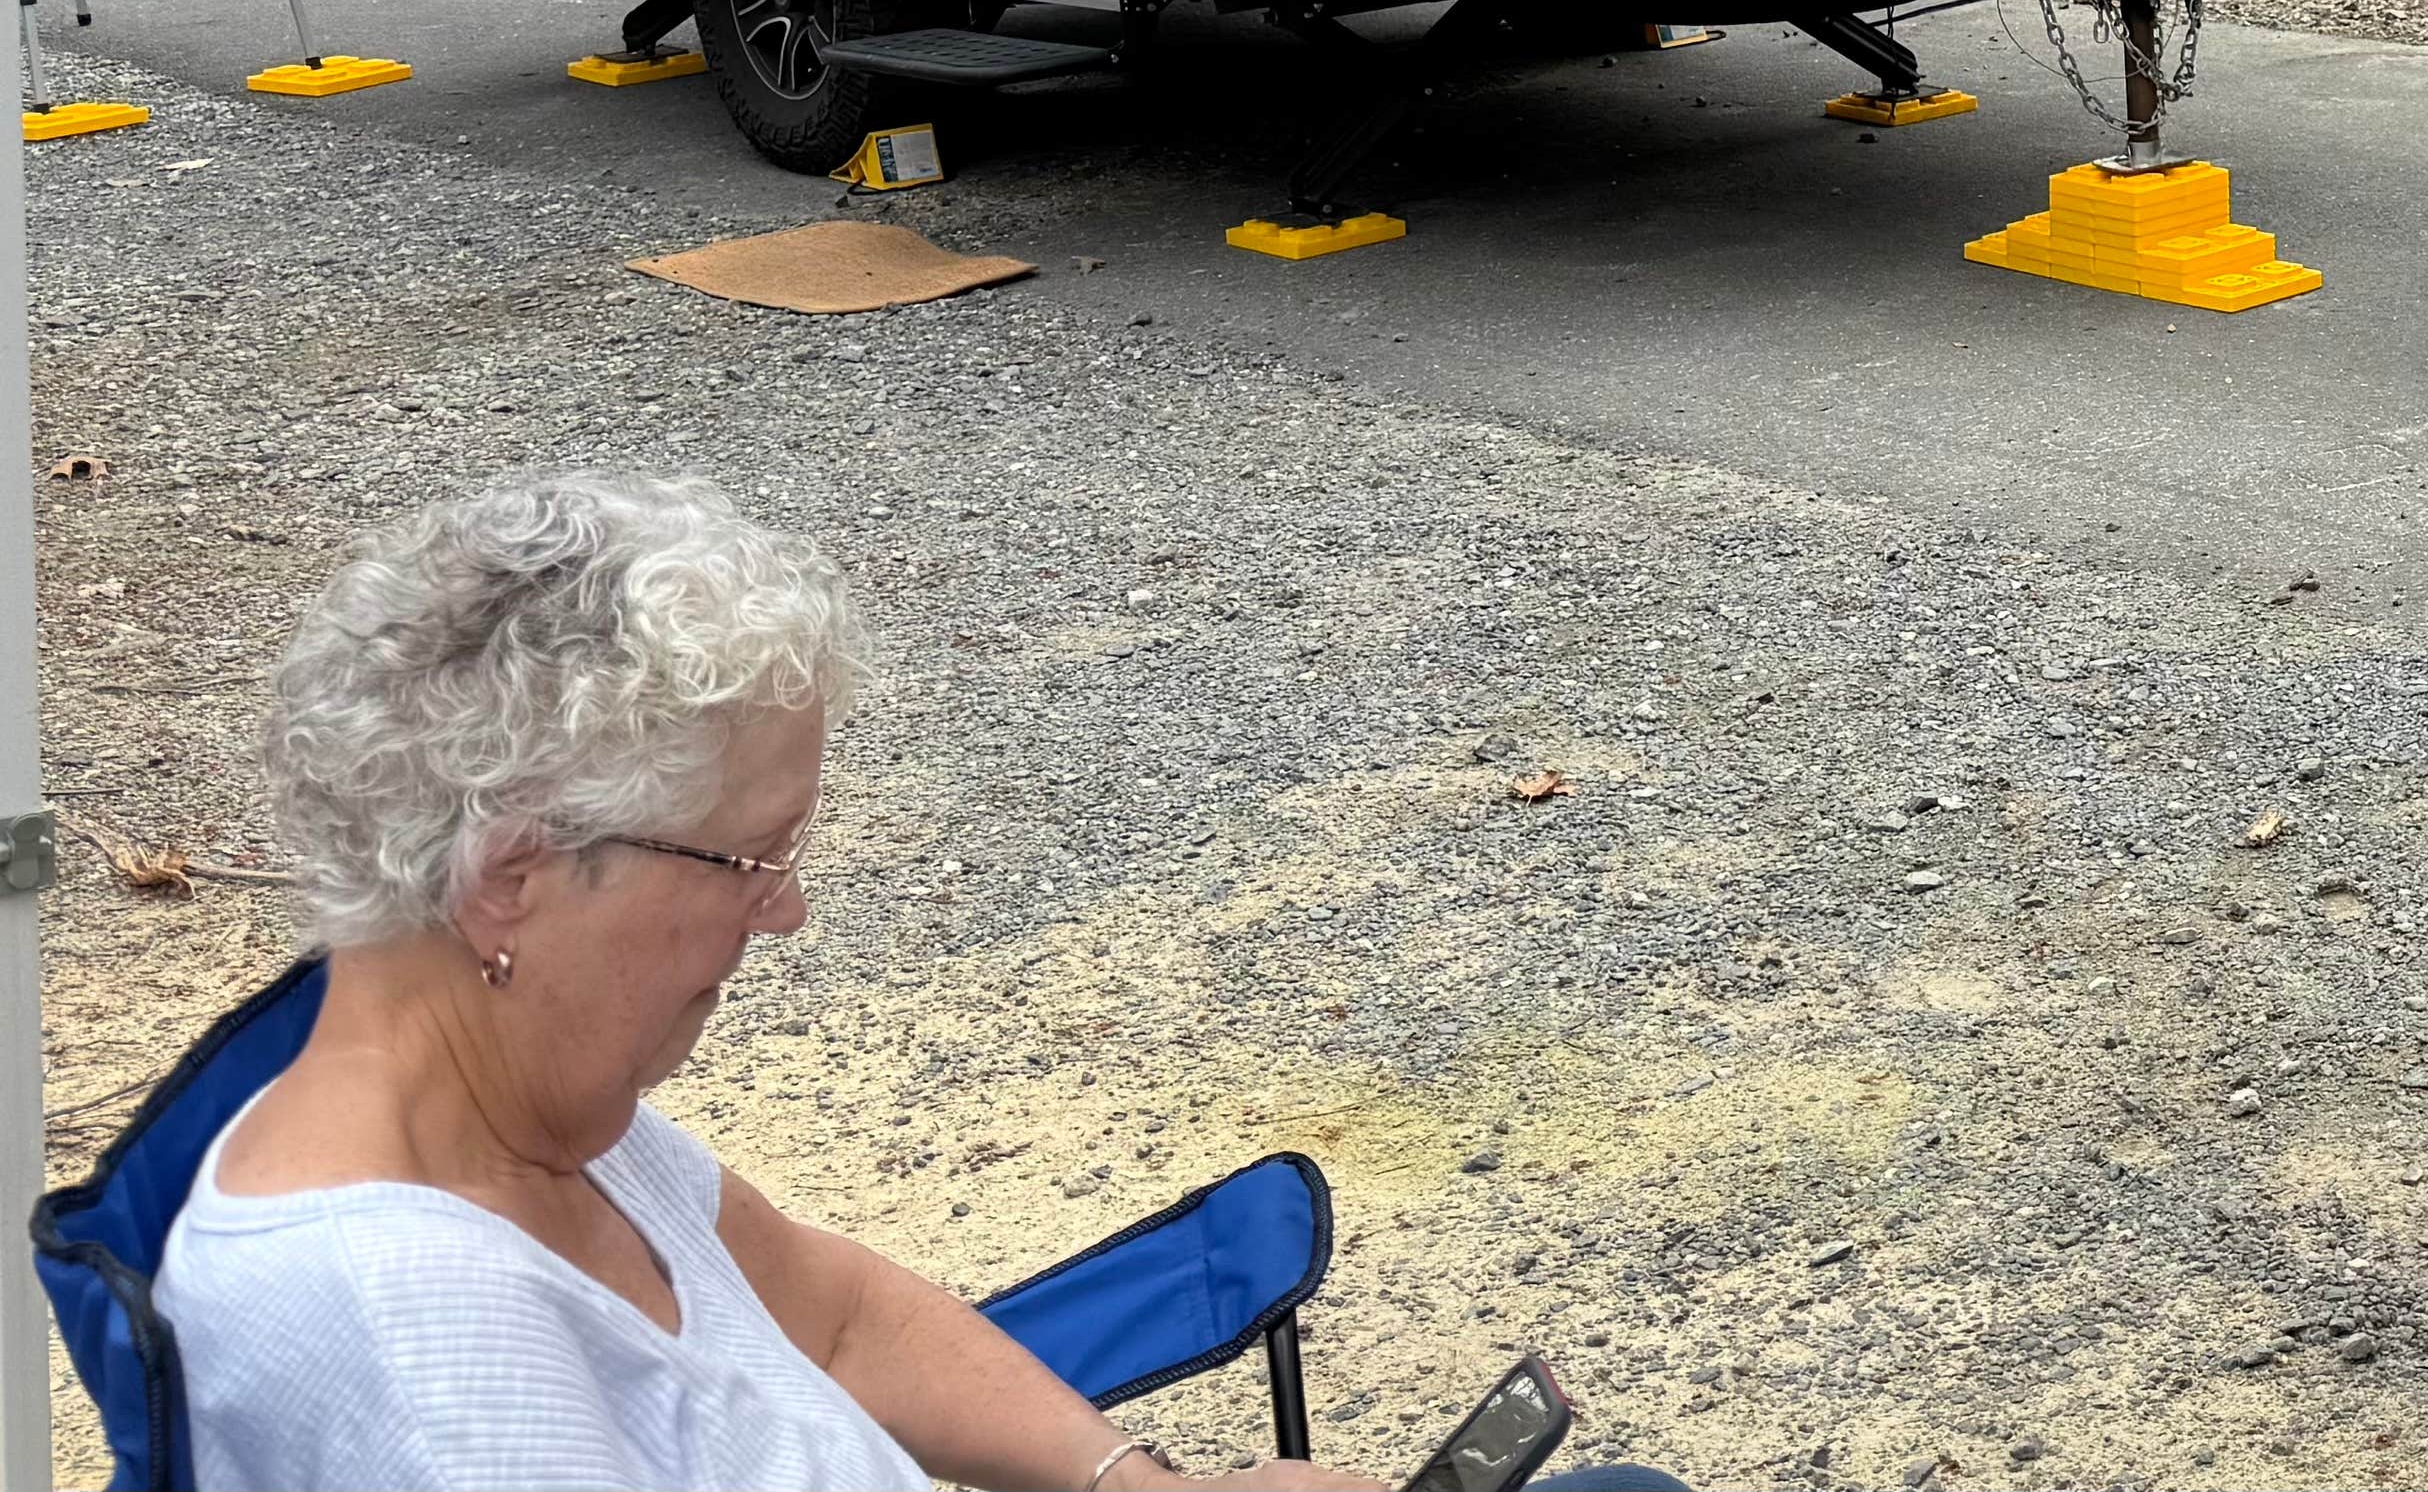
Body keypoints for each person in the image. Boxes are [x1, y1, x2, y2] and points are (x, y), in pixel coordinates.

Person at [161, 467, 1684, 1492]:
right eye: (745, 859)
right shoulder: (414, 1349)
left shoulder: (521, 1097)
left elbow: (828, 1316)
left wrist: (1134, 1488)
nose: (788, 911)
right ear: (516, 871)